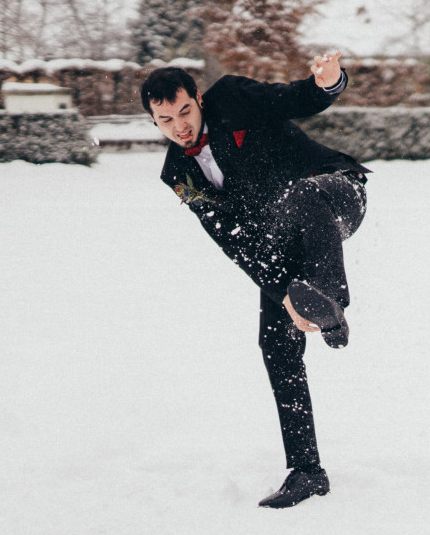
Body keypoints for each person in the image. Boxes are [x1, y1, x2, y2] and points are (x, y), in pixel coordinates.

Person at [141, 52, 368, 509]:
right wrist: (284, 295)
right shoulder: (178, 173)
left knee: (300, 195)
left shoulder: (233, 97)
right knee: (276, 345)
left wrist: (327, 83)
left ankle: (332, 305)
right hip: (280, 240)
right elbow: (233, 240)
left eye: (185, 111)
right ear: (153, 120)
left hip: (333, 192)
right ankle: (307, 471)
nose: (180, 126)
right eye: (165, 120)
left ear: (198, 98)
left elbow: (296, 99)